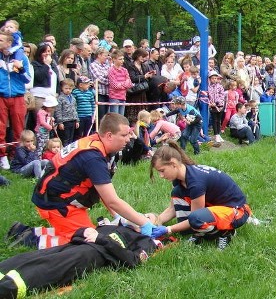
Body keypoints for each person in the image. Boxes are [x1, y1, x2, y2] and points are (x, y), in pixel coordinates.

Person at [25, 113, 156, 249]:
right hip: (56, 204)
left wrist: (117, 215)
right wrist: (144, 223)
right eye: (124, 135)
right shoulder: (93, 158)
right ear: (109, 135)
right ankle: (31, 238)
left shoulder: (95, 144)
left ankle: (37, 232)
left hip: (58, 199)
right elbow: (112, 200)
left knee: (91, 233)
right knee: (87, 242)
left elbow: (103, 190)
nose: (128, 139)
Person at [1, 224, 161, 298]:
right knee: (28, 258)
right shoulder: (111, 226)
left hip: (92, 255)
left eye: (149, 217)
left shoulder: (145, 241)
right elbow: (77, 234)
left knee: (45, 269)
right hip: (75, 245)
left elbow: (132, 261)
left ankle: (6, 289)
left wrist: (102, 240)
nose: (143, 217)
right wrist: (85, 230)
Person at [149, 142, 252, 249]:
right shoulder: (181, 178)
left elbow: (194, 218)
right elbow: (172, 209)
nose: (161, 176)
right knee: (177, 192)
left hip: (238, 211)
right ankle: (200, 232)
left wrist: (168, 229)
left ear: (173, 164)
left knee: (196, 219)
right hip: (216, 208)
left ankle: (226, 232)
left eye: (162, 171)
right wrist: (156, 222)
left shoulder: (196, 182)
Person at [0, 30, 31, 170]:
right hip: (1, 96)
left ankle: (18, 156)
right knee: (0, 128)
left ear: (9, 43)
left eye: (1, 41)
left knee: (19, 129)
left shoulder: (22, 57)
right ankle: (2, 157)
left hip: (18, 96)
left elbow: (28, 80)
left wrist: (21, 68)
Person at [107, 50, 133, 116]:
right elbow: (115, 85)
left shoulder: (125, 70)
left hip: (123, 97)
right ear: (114, 59)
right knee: (115, 118)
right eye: (120, 59)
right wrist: (125, 84)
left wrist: (121, 84)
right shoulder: (111, 70)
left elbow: (129, 83)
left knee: (121, 118)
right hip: (114, 98)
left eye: (123, 59)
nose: (122, 61)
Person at [55, 78, 79, 146]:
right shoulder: (60, 98)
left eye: (70, 88)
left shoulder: (73, 98)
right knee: (65, 139)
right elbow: (58, 110)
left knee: (71, 139)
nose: (68, 90)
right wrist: (60, 122)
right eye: (66, 88)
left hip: (73, 120)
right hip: (65, 122)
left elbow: (75, 109)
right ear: (62, 88)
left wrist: (77, 120)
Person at [206, 71, 226, 145]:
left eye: (215, 78)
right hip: (212, 106)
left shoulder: (220, 86)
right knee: (214, 120)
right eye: (213, 78)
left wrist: (217, 102)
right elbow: (206, 96)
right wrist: (210, 103)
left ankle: (219, 134)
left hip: (219, 105)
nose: (214, 80)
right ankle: (216, 134)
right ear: (210, 79)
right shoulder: (208, 87)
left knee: (219, 120)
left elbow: (222, 95)